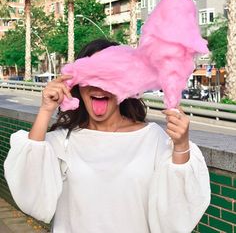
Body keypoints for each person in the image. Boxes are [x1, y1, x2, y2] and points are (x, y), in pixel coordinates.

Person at [4, 39, 210, 233]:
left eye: (108, 77)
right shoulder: (63, 141)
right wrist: (46, 110)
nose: (99, 86)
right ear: (77, 85)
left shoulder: (153, 139)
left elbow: (176, 212)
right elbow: (29, 182)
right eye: (91, 77)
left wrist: (181, 144)